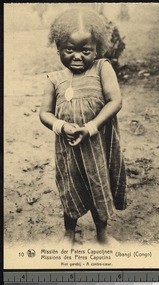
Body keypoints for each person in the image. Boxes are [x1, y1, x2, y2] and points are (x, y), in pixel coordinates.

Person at [39, 8, 126, 245]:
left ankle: (102, 235)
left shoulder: (102, 68)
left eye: (85, 51)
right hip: (69, 150)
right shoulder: (54, 79)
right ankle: (69, 234)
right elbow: (44, 113)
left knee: (100, 185)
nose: (77, 56)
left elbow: (115, 101)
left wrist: (91, 126)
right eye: (69, 50)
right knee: (70, 187)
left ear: (97, 49)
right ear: (58, 48)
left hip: (97, 146)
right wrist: (60, 126)